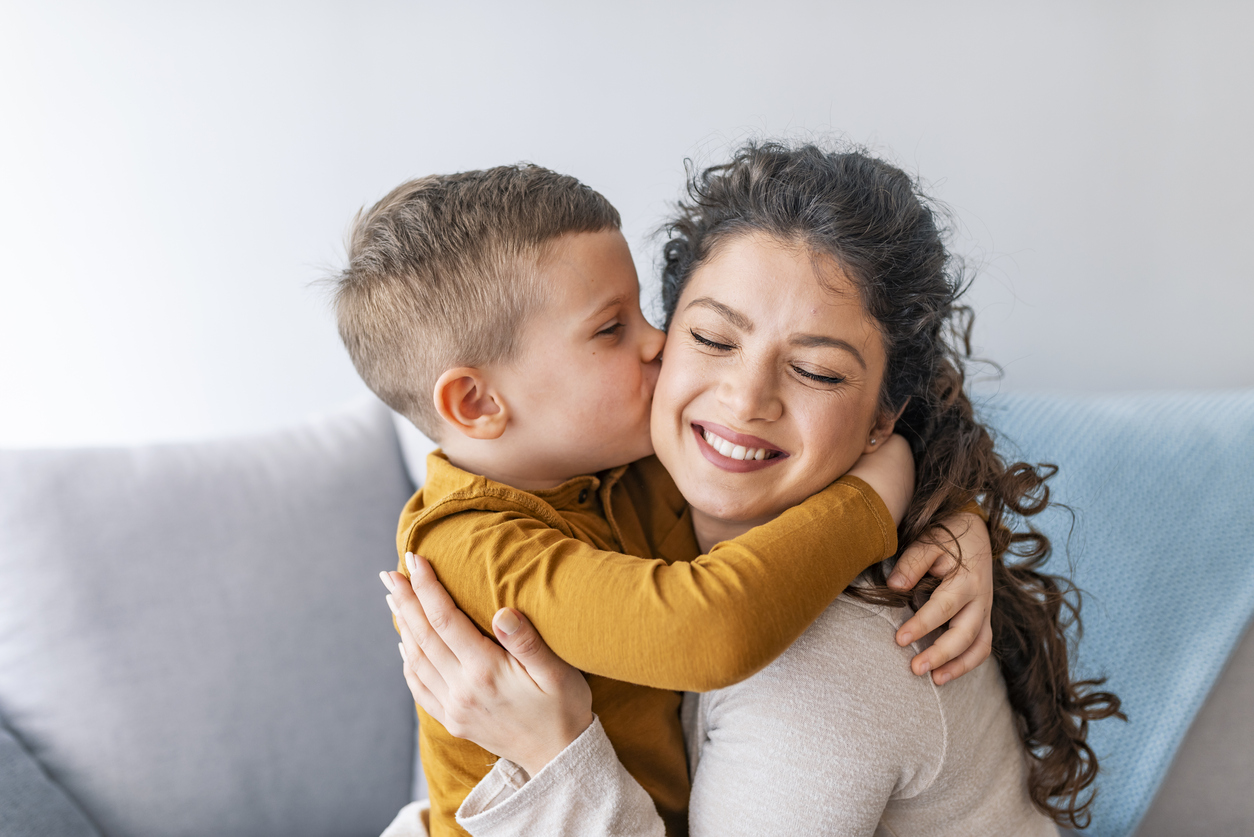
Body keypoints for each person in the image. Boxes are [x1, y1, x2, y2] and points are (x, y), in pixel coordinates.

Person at [387, 142, 1125, 835]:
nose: (744, 400)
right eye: (710, 338)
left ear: (883, 418)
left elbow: (713, 628)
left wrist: (550, 751)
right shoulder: (592, 484)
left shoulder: (828, 667)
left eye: (818, 370)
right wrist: (914, 487)